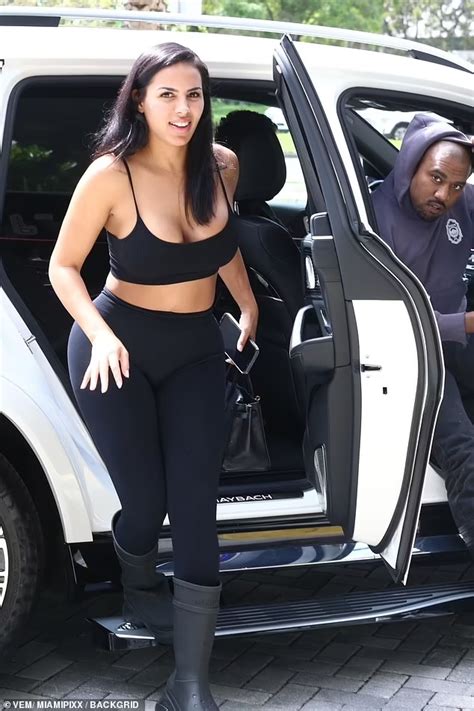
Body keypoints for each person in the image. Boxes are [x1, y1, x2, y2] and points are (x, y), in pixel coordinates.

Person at [48, 42, 258, 711]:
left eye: (193, 95)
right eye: (167, 94)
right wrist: (100, 334)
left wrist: (248, 302)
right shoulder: (111, 175)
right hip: (116, 346)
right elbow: (62, 266)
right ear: (139, 100)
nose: (182, 109)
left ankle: (189, 685)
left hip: (196, 349)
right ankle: (139, 584)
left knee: (195, 505)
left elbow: (219, 244)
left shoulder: (221, 165)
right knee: (144, 504)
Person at [372, 113, 474, 553]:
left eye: (457, 185)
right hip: (408, 353)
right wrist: (466, 323)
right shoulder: (374, 218)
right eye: (436, 178)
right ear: (411, 165)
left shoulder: (463, 201)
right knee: (463, 449)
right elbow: (390, 318)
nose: (444, 196)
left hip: (456, 342)